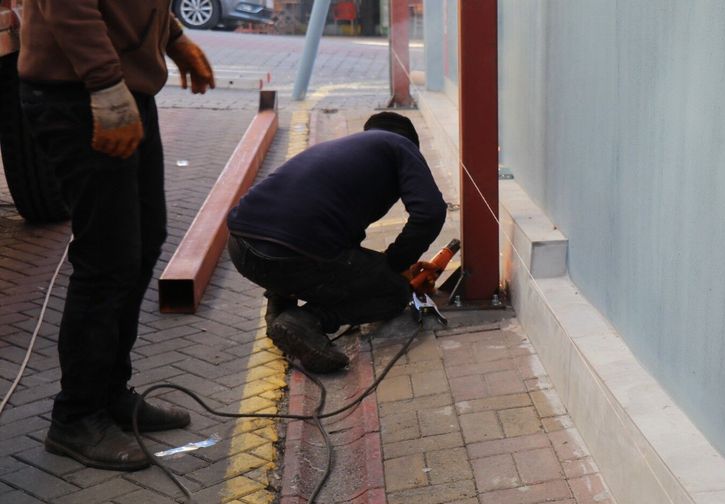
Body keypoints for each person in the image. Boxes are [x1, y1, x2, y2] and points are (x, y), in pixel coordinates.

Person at [17, 1, 215, 471]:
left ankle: (109, 395)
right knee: (107, 259)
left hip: (122, 88)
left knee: (143, 243)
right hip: (78, 93)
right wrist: (105, 85)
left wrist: (173, 37)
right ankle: (76, 417)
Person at [227, 112, 447, 373]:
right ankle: (307, 321)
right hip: (293, 257)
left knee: (329, 257)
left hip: (241, 248)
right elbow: (431, 213)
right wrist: (396, 264)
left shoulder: (343, 151)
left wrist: (384, 264)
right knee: (394, 291)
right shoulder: (401, 146)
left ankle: (281, 302)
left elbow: (343, 249)